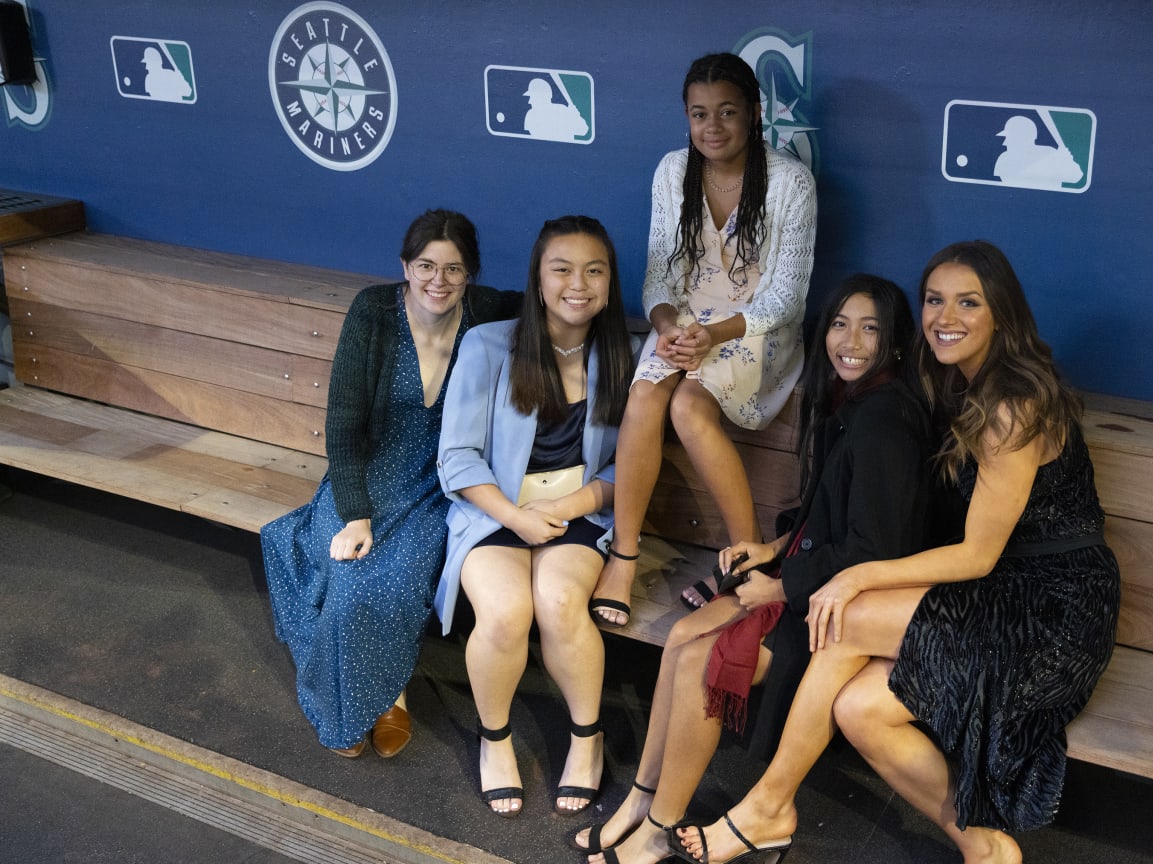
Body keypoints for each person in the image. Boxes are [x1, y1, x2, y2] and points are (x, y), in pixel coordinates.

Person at [674, 241, 1121, 864]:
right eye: (935, 300)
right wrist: (790, 550)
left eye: (969, 302)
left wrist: (854, 577)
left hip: (1050, 608)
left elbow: (979, 555)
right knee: (859, 709)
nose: (946, 316)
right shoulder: (956, 386)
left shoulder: (1014, 402)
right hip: (996, 593)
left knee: (844, 617)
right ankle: (986, 848)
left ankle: (769, 805)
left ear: (1003, 314)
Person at [573, 275, 932, 864]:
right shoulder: (853, 403)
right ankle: (642, 799)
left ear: (895, 343)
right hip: (807, 575)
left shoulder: (886, 422)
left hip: (840, 608)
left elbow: (875, 549)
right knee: (682, 636)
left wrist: (781, 582)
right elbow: (832, 514)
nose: (852, 340)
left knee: (701, 659)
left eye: (871, 328)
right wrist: (772, 547)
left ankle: (662, 826)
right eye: (841, 324)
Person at [262, 209, 520, 759]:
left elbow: (554, 302)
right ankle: (379, 696)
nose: (438, 281)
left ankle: (384, 689)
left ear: (470, 274)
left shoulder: (488, 311)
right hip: (366, 474)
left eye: (454, 269)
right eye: (425, 265)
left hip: (439, 482)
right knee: (349, 568)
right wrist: (356, 512)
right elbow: (343, 424)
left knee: (390, 576)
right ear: (404, 266)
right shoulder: (373, 312)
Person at [589, 51, 817, 627]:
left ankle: (746, 560)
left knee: (689, 406)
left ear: (755, 113)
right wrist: (669, 328)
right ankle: (624, 554)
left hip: (755, 329)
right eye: (699, 114)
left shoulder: (791, 181)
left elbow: (785, 298)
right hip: (686, 322)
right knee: (644, 397)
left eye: (727, 112)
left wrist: (707, 336)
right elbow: (659, 277)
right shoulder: (672, 171)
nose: (712, 127)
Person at [435, 215, 635, 818]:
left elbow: (630, 468)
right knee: (503, 612)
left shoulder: (624, 352)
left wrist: (573, 506)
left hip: (579, 512)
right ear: (539, 279)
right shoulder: (490, 344)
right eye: (562, 269)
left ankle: (586, 739)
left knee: (557, 602)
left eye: (594, 270)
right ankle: (494, 743)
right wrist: (515, 518)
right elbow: (457, 458)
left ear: (609, 281)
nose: (579, 283)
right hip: (495, 508)